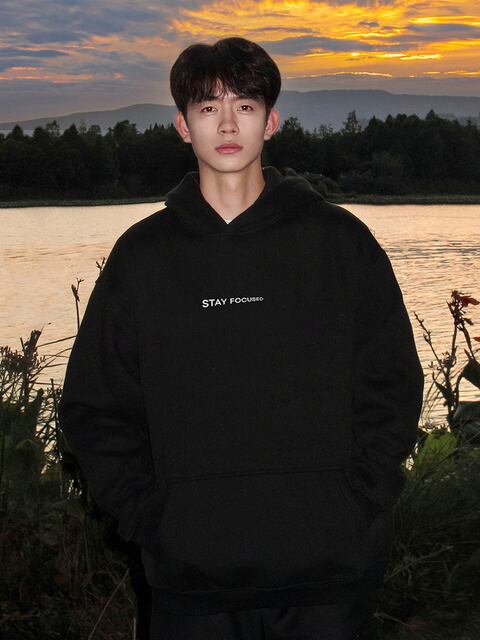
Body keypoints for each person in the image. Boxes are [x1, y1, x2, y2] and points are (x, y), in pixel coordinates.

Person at [58, 36, 424, 640]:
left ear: (271, 121)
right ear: (183, 126)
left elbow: (391, 385)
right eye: (208, 107)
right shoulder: (143, 257)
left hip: (328, 580)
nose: (227, 124)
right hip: (190, 585)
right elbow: (95, 407)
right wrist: (153, 520)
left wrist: (356, 503)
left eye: (245, 106)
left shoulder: (339, 244)